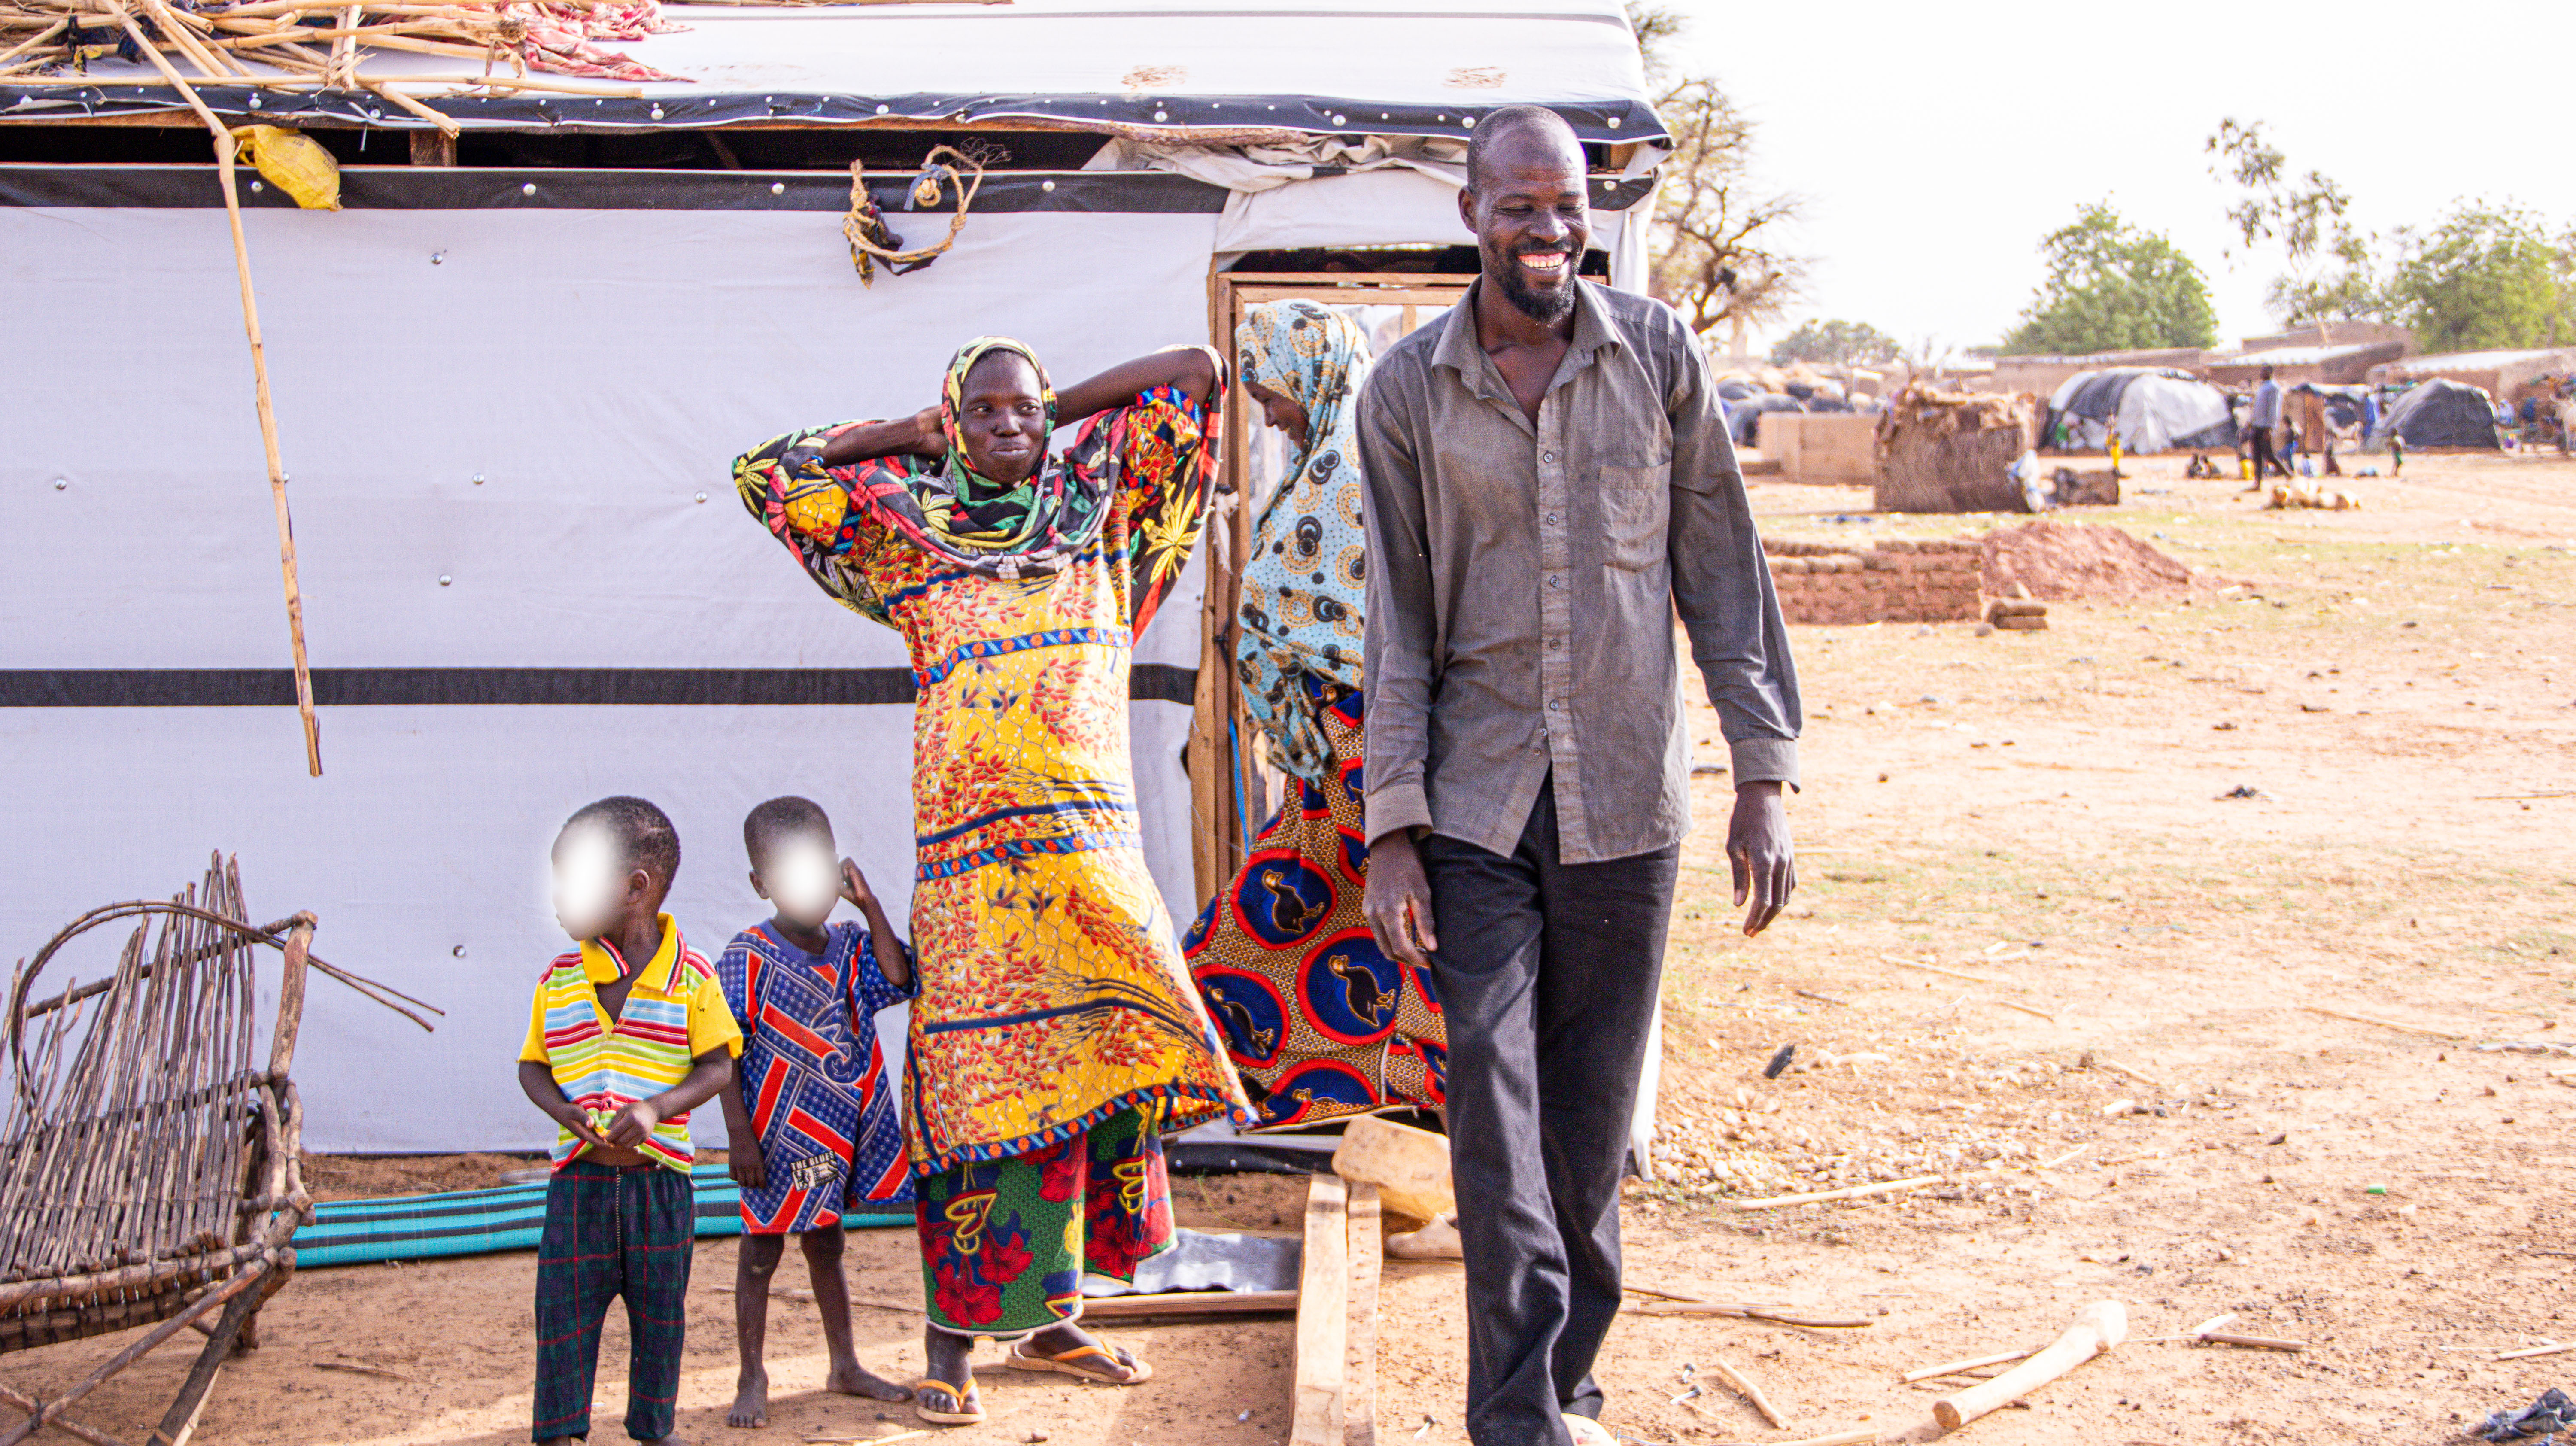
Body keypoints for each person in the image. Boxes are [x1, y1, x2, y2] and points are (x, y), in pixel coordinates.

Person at [1355, 105, 1800, 1446]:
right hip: (1475, 806)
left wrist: (1762, 770)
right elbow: (1397, 620)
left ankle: (1564, 1387)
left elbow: (1720, 569)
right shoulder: (1406, 392)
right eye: (1519, 207)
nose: (1547, 230)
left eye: (1566, 207)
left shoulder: (1656, 356)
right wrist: (1391, 824)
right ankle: (1517, 1423)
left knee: (1588, 1136)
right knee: (1495, 1128)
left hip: (1625, 800)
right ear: (1470, 216)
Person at [731, 339, 1250, 1428]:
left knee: (1093, 1073)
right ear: (954, 421)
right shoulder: (904, 538)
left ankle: (1055, 1321)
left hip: (1089, 858)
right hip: (972, 880)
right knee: (977, 1092)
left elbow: (1198, 371)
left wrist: (1059, 406)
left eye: (1026, 408)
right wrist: (904, 434)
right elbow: (766, 473)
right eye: (985, 411)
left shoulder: (1105, 517)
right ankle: (952, 1347)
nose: (1011, 425)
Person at [1179, 300, 1449, 1130]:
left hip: (1367, 745)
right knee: (1329, 921)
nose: (1268, 414)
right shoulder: (1334, 465)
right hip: (1336, 754)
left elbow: (1316, 618)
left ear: (1315, 375)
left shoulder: (1352, 472)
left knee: (1384, 924)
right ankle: (1396, 1093)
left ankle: (1443, 1103)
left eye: (1272, 394)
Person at [517, 796, 742, 1446]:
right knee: (562, 1315)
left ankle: (654, 1426)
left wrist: (655, 1108)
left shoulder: (692, 976)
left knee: (660, 1318)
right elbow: (532, 1068)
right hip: (578, 1187)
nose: (558, 896)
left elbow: (718, 1066)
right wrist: (562, 1110)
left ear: (635, 888)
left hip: (660, 1188)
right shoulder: (559, 979)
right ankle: (559, 1429)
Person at [714, 796, 916, 1428]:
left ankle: (845, 1364)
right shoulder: (746, 957)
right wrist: (739, 1136)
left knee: (827, 1241)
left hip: (834, 1134)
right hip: (775, 1140)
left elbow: (899, 977)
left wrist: (870, 905)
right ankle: (752, 1375)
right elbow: (720, 1051)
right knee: (761, 1251)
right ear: (761, 884)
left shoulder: (853, 944)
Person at [2248, 365, 2288, 483]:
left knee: (2269, 455)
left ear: (2271, 373)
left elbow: (2274, 409)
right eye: (2262, 372)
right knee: (2257, 455)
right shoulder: (2262, 387)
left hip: (2265, 427)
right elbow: (2257, 408)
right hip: (2257, 425)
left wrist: (2270, 428)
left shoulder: (2274, 387)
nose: (2262, 374)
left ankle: (2290, 475)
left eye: (2265, 372)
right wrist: (2250, 423)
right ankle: (2258, 483)